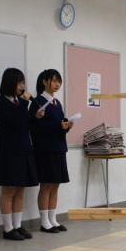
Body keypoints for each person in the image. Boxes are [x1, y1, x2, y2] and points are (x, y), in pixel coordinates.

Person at [0, 68, 45, 241]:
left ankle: (17, 225)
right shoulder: (0, 102)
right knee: (9, 189)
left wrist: (35, 117)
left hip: (24, 150)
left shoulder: (18, 102)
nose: (22, 86)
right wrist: (24, 103)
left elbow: (24, 123)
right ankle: (7, 229)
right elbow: (13, 122)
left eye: (23, 83)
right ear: (11, 83)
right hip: (9, 152)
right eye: (20, 83)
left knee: (20, 189)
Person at [29, 69, 73, 234]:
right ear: (44, 81)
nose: (57, 84)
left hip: (59, 148)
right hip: (45, 150)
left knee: (56, 184)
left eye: (59, 81)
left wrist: (66, 126)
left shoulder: (56, 103)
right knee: (46, 184)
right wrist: (57, 125)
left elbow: (57, 126)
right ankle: (44, 221)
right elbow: (35, 127)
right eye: (54, 80)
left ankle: (53, 219)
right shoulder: (38, 102)